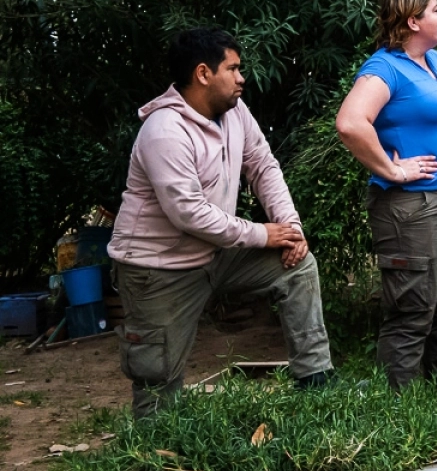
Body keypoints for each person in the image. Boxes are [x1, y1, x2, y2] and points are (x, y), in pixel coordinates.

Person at [108, 28, 333, 418]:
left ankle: (316, 384)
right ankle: (150, 448)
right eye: (233, 68)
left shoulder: (234, 112)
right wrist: (262, 234)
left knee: (296, 268)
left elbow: (263, 165)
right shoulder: (164, 131)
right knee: (157, 377)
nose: (242, 77)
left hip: (216, 253)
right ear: (202, 73)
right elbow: (189, 213)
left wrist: (289, 228)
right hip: (157, 269)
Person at [336, 0, 437, 389]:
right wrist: (393, 170)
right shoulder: (385, 69)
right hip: (414, 208)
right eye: (436, 10)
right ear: (413, 20)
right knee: (413, 311)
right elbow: (350, 124)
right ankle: (398, 413)